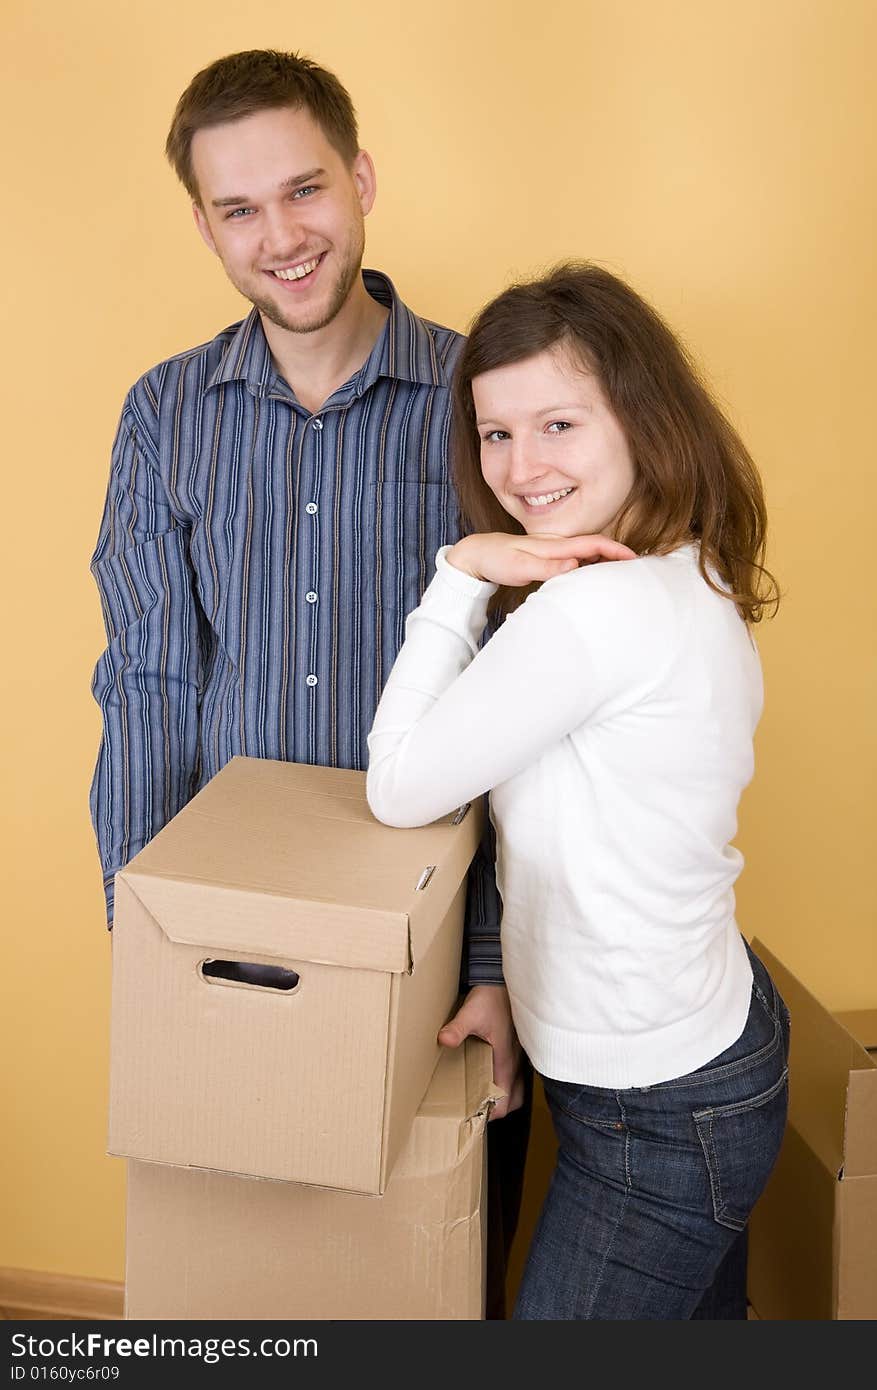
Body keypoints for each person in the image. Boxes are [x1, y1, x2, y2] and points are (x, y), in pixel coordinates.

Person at [88, 48, 528, 1317]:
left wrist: (492, 960)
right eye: (240, 208)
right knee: (244, 1288)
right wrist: (146, 931)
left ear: (362, 179)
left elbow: (530, 703)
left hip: (442, 952)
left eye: (305, 190)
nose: (280, 236)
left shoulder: (478, 400)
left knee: (429, 1281)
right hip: (229, 948)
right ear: (205, 225)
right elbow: (152, 679)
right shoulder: (165, 414)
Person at [366, 262, 790, 1319]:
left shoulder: (588, 614)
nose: (519, 466)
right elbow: (576, 827)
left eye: (557, 424)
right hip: (702, 1044)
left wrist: (462, 570)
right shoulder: (689, 572)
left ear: (641, 419)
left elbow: (398, 784)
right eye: (495, 433)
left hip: (656, 1109)